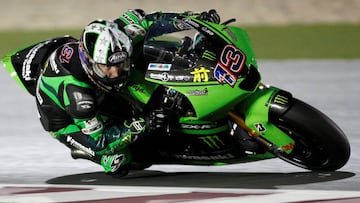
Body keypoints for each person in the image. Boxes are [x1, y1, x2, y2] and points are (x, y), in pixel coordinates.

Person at [35, 9, 221, 176]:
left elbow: (151, 19)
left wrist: (193, 20)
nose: (116, 73)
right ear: (91, 62)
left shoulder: (120, 35)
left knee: (146, 58)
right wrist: (143, 122)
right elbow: (99, 141)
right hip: (68, 122)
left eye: (119, 64)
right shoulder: (79, 96)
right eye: (108, 68)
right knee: (120, 160)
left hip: (97, 86)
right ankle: (92, 155)